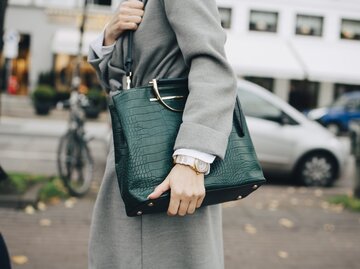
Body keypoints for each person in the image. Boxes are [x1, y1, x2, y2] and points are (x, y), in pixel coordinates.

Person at [88, 0, 237, 268]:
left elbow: (214, 69)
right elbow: (121, 86)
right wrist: (110, 36)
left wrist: (192, 160)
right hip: (132, 162)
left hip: (168, 166)